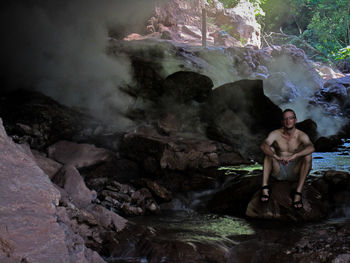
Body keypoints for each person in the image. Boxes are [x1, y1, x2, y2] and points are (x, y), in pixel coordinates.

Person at [260, 109, 315, 209]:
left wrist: (296, 155)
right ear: (282, 121)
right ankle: (264, 187)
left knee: (308, 154)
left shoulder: (301, 135)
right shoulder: (275, 134)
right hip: (279, 169)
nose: (288, 121)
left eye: (291, 118)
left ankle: (298, 192)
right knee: (269, 150)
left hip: (295, 171)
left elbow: (311, 147)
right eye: (285, 119)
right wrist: (276, 156)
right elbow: (263, 146)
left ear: (295, 120)